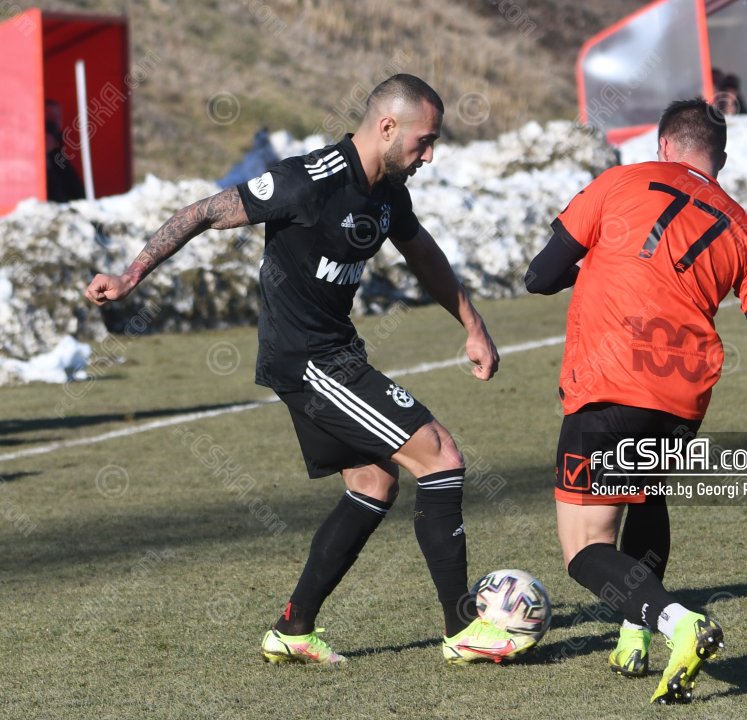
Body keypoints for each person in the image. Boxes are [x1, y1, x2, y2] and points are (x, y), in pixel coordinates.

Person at [85, 74, 533, 667]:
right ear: (387, 127)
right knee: (442, 457)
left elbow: (422, 251)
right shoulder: (307, 179)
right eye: (424, 142)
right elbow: (202, 212)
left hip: (333, 353)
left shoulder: (387, 191)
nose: (430, 155)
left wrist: (473, 326)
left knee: (373, 484)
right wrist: (129, 275)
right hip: (310, 361)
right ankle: (461, 626)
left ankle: (293, 629)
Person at [525, 98, 747, 704]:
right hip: (683, 397)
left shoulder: (621, 182)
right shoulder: (744, 229)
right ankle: (633, 633)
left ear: (665, 146)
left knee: (584, 549)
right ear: (717, 160)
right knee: (647, 495)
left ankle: (679, 624)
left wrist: (594, 260)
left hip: (607, 383)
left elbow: (539, 276)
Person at [44, 100, 85, 202]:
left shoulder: (59, 151)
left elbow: (77, 191)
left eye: (58, 117)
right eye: (49, 116)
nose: (55, 120)